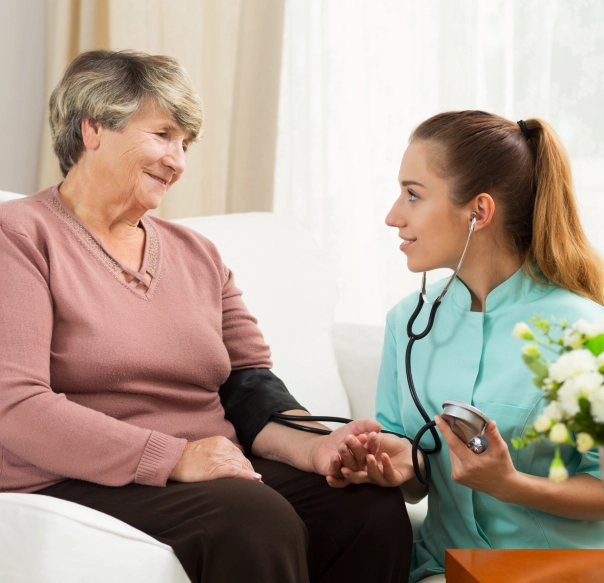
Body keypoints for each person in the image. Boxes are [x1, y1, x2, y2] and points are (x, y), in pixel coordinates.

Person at [0, 50, 412, 583]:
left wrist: (318, 448)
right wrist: (173, 457)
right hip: (76, 475)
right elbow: (16, 406)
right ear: (94, 128)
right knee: (253, 520)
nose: (178, 161)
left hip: (205, 465)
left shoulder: (198, 253)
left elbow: (250, 386)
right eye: (163, 135)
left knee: (365, 509)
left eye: (186, 144)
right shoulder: (20, 237)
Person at [333, 111, 604, 582]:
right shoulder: (407, 323)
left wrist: (511, 485)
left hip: (562, 571)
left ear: (478, 212)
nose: (393, 216)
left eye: (413, 195)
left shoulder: (584, 332)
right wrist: (399, 465)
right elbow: (412, 466)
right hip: (446, 569)